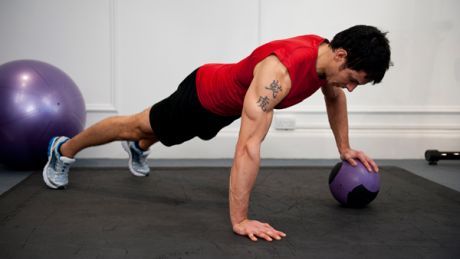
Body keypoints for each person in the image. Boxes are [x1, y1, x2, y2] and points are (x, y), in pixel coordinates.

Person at [42, 25, 391, 242]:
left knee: (166, 134)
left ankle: (140, 147)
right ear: (341, 56)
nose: (350, 88)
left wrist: (344, 147)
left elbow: (334, 96)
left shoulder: (324, 58)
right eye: (353, 80)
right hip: (201, 96)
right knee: (137, 124)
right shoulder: (279, 74)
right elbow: (248, 148)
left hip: (222, 108)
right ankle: (64, 149)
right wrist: (240, 220)